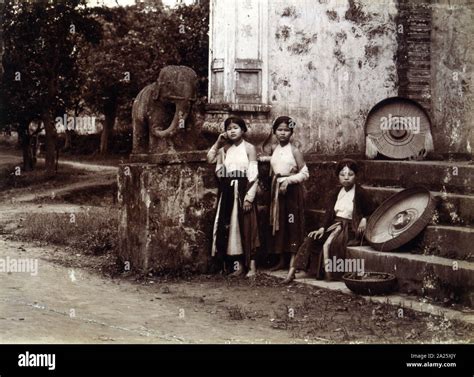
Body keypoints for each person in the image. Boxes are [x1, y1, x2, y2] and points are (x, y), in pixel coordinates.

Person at [283, 158, 374, 284]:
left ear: (356, 176)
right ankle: (291, 273)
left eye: (350, 174)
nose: (346, 178)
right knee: (311, 238)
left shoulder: (361, 193)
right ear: (338, 176)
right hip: (334, 225)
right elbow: (328, 214)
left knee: (333, 244)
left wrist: (364, 219)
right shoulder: (335, 193)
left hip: (350, 228)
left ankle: (330, 274)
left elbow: (372, 211)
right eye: (342, 175)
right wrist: (321, 228)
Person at [207, 116, 260, 277]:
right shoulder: (224, 150)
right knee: (230, 227)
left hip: (244, 189)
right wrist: (218, 143)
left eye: (235, 127)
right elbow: (210, 159)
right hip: (228, 190)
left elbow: (253, 174)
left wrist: (249, 197)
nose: (232, 131)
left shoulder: (249, 148)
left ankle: (251, 267)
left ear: (243, 130)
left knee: (247, 226)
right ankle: (235, 266)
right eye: (229, 128)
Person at [259, 116, 309, 276]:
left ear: (291, 133)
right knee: (279, 224)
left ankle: (293, 262)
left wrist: (288, 180)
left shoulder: (295, 150)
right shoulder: (274, 149)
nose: (282, 133)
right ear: (274, 132)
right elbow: (275, 163)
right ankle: (281, 259)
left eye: (286, 130)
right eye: (279, 130)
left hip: (292, 193)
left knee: (292, 224)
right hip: (277, 192)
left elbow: (305, 173)